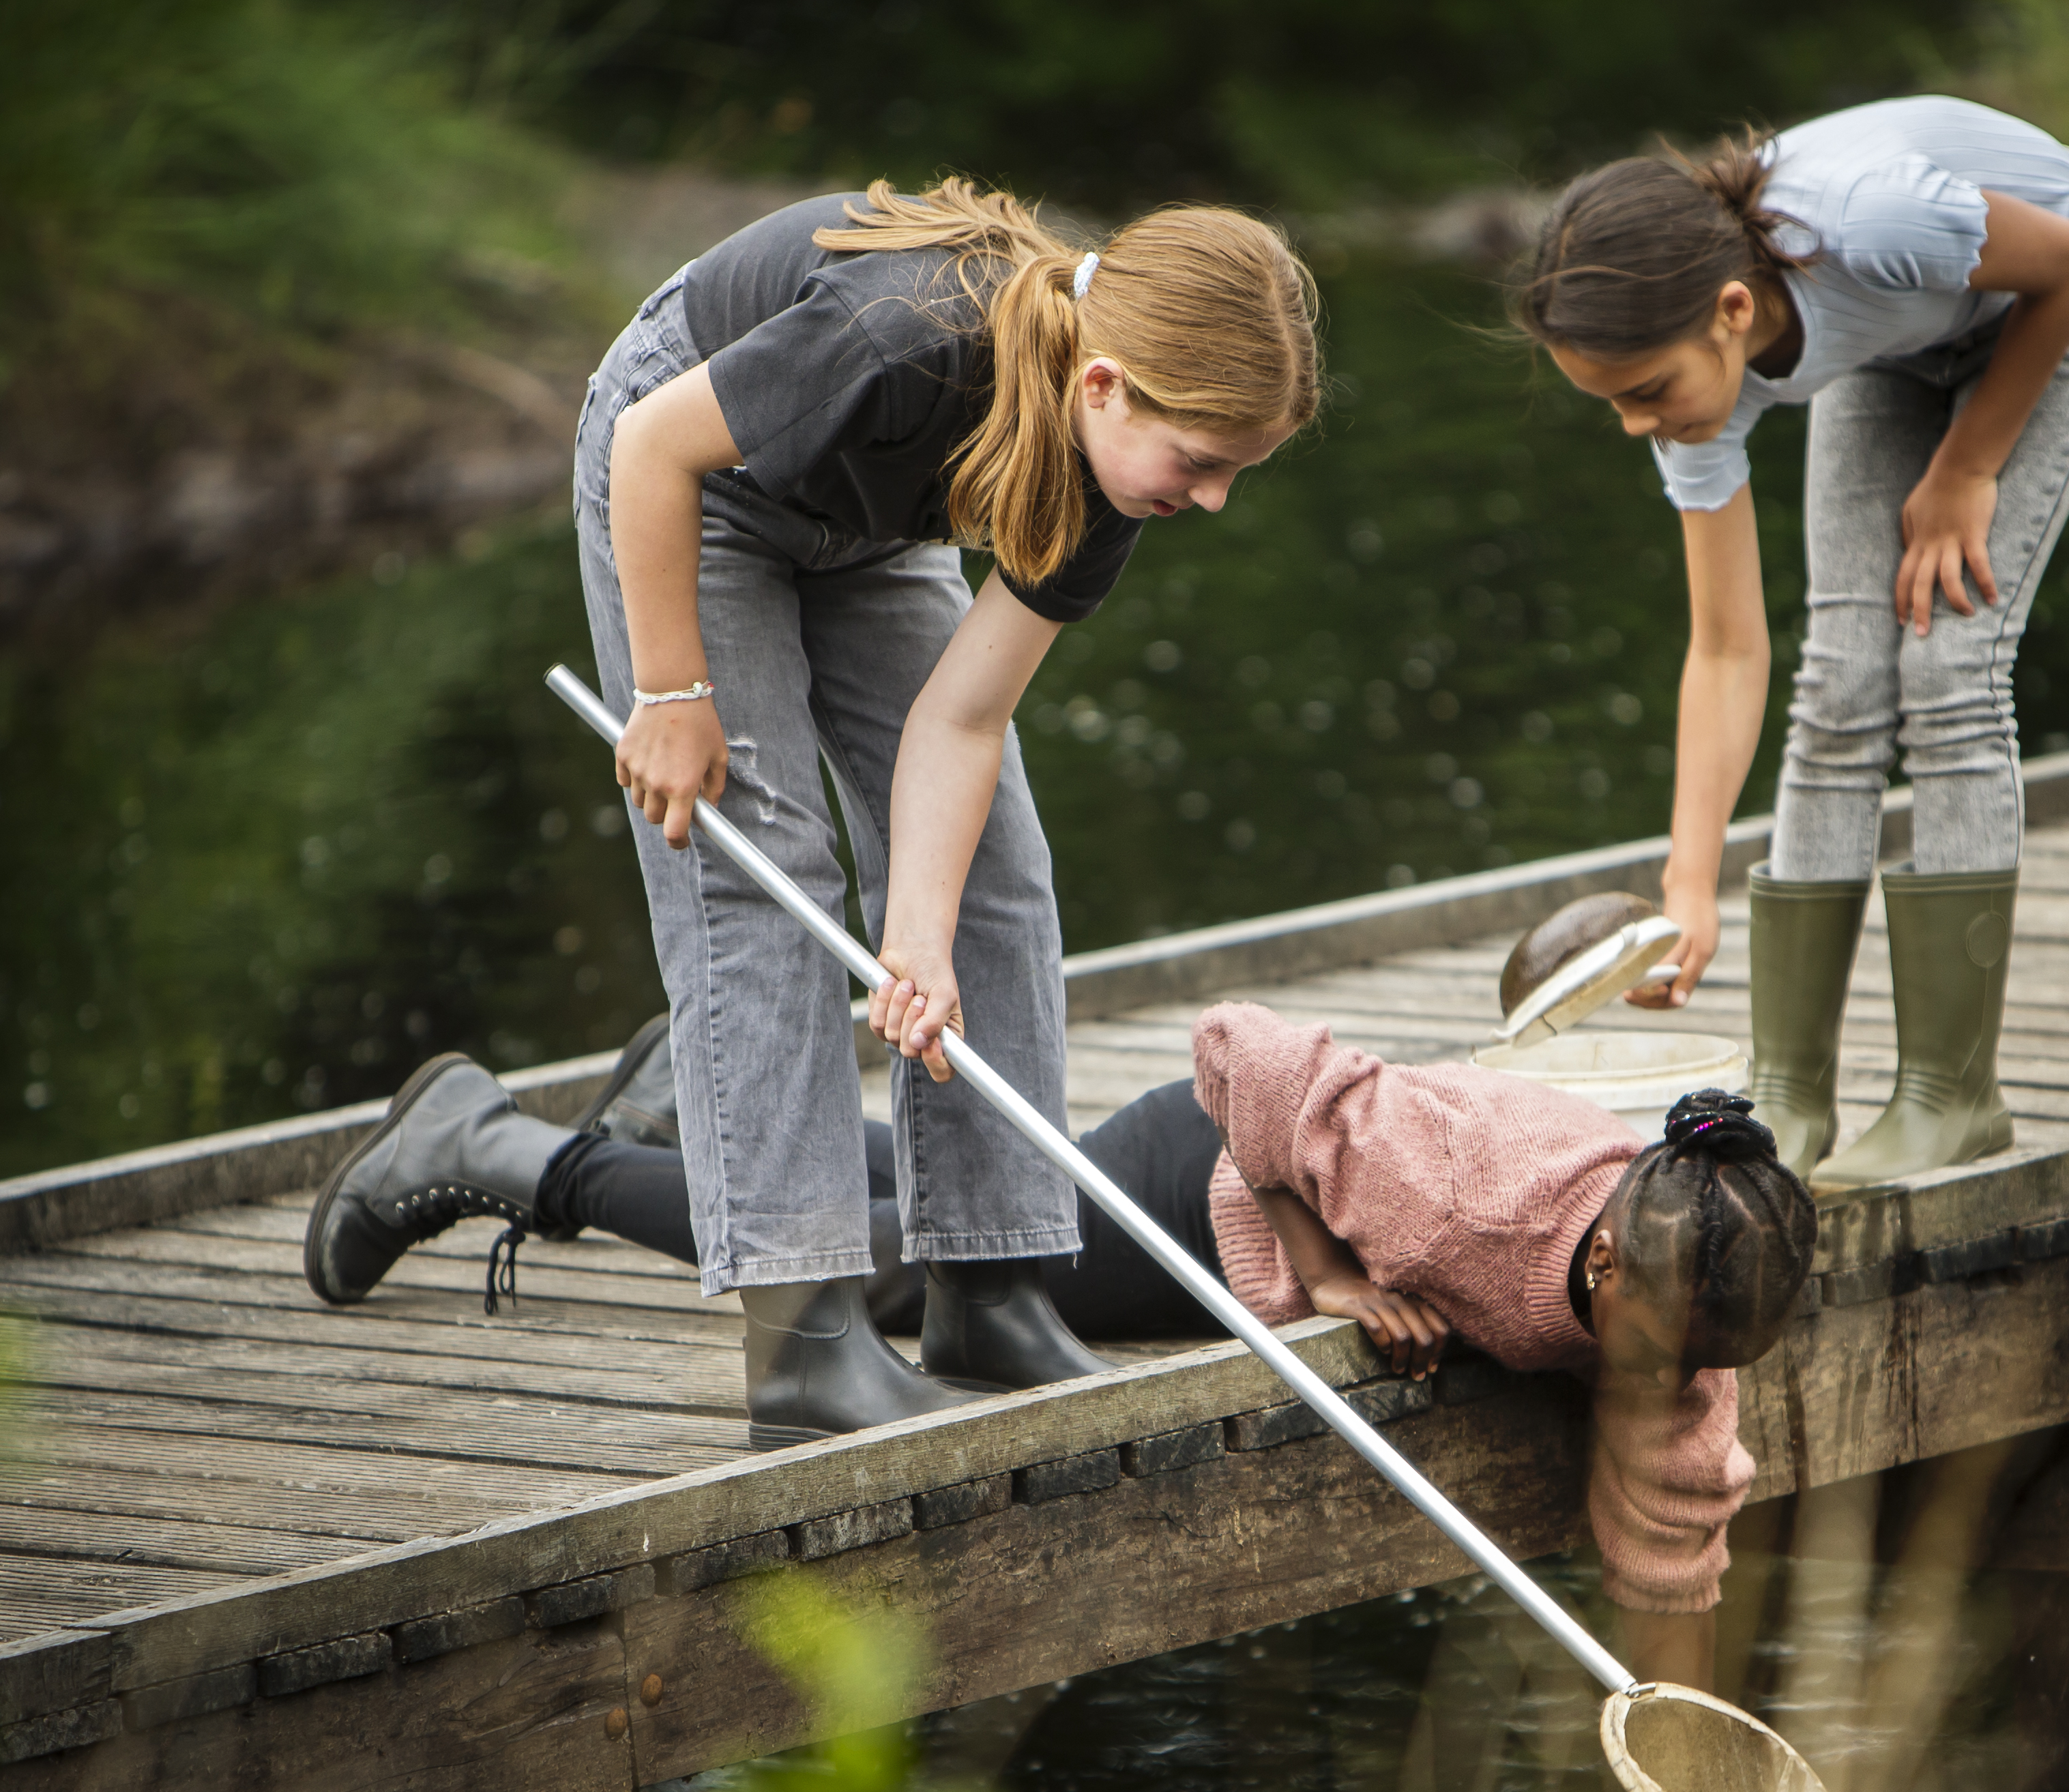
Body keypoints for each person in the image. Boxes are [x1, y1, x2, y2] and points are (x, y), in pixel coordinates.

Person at [306, 179, 1321, 1444]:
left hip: (866, 522)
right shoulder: (904, 336)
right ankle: (803, 1348)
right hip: (697, 479)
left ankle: (990, 1295)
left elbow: (957, 722)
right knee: (767, 877)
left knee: (997, 870)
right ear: (1104, 385)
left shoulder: (1111, 484)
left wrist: (924, 939)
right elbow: (653, 450)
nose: (1213, 499)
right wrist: (672, 693)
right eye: (1206, 463)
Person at [304, 1008, 1819, 1688]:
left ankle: (675, 1109)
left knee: (947, 1224)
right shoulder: (1461, 1186)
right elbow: (1242, 1050)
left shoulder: (1687, 1307)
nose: (1672, 1379)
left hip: (1227, 1194)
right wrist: (1330, 1267)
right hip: (1198, 1178)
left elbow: (1672, 1534)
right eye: (1657, 1350)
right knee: (886, 1276)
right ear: (1606, 1255)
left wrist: (1674, 1720)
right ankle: (495, 1145)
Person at [1513, 98, 2069, 1189]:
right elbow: (1725, 650)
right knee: (1838, 684)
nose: (1634, 424)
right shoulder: (1695, 392)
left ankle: (1954, 1099)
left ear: (1734, 310)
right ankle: (1791, 1096)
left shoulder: (1877, 220)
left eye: (1646, 392)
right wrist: (1689, 882)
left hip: (2041, 302)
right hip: (1900, 341)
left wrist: (1969, 466)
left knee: (1950, 665)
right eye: (1607, 404)